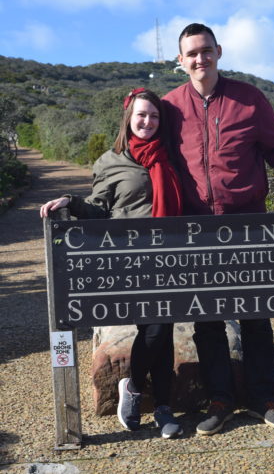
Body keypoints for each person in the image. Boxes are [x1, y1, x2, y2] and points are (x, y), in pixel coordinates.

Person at [162, 23, 274, 436]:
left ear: (219, 51)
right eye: (191, 53)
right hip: (196, 230)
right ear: (181, 61)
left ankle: (264, 398)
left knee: (256, 316)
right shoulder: (170, 106)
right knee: (208, 320)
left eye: (206, 50)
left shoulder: (248, 98)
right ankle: (220, 400)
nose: (200, 59)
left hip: (249, 226)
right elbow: (140, 149)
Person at [40, 88, 183, 439]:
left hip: (170, 256)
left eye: (153, 116)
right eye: (141, 115)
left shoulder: (172, 155)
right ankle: (133, 388)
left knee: (163, 331)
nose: (147, 121)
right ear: (128, 118)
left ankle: (163, 409)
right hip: (131, 260)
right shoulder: (110, 161)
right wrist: (71, 202)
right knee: (154, 328)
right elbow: (100, 209)